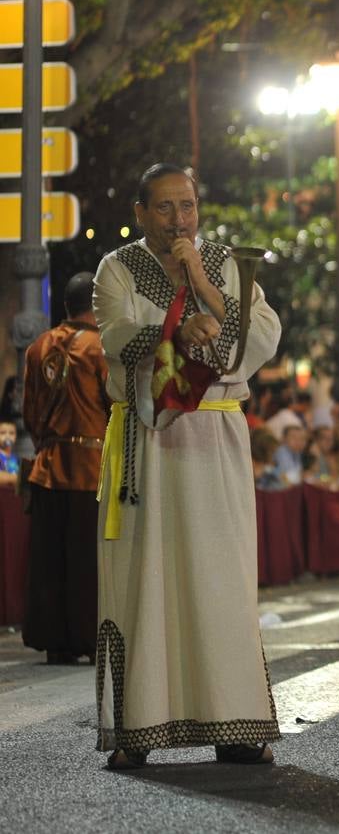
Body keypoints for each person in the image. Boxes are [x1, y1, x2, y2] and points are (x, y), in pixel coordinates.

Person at [92, 163, 282, 769]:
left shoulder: (225, 262)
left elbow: (258, 338)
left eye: (189, 207)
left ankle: (235, 725)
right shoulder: (115, 268)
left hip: (218, 432)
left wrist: (199, 276)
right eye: (166, 208)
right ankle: (137, 728)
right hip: (151, 438)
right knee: (148, 577)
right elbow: (117, 335)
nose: (180, 219)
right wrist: (172, 332)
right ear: (141, 212)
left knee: (220, 576)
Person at [21, 272, 109, 664]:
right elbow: (113, 407)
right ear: (98, 303)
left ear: (65, 306)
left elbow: (29, 412)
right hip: (91, 469)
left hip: (46, 467)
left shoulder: (38, 346)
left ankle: (55, 642)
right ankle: (89, 640)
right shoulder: (100, 347)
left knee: (49, 558)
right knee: (87, 560)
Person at [0, 418, 19, 488]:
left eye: (11, 433)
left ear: (16, 436)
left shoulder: (16, 458)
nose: (7, 436)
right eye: (2, 433)